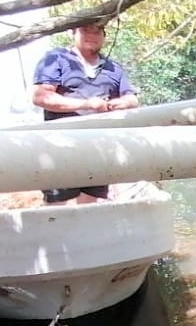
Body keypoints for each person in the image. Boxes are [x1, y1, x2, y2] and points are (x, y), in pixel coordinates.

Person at [29, 21, 140, 204]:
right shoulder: (55, 58)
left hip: (100, 148)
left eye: (97, 32)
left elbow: (132, 99)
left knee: (90, 203)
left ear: (104, 36)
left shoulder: (113, 68)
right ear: (73, 33)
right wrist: (86, 104)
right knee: (57, 204)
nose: (92, 36)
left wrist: (122, 103)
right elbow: (41, 97)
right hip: (59, 146)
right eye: (86, 31)